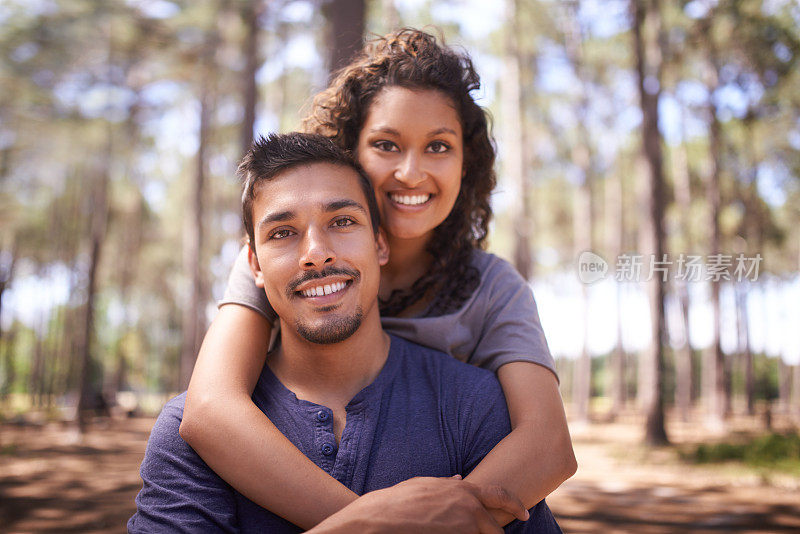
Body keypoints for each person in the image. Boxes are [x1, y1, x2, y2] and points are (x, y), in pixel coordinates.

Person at [180, 29, 576, 530]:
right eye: (386, 144)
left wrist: (434, 517)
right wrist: (376, 523)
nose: (411, 173)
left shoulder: (492, 287)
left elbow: (549, 446)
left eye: (438, 146)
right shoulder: (287, 261)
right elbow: (212, 409)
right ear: (350, 150)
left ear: (465, 164)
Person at [129, 132, 562, 533]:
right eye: (282, 233)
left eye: (342, 222)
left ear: (380, 244)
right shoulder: (188, 432)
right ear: (254, 265)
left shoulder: (473, 406)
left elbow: (549, 446)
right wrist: (367, 523)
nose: (316, 254)